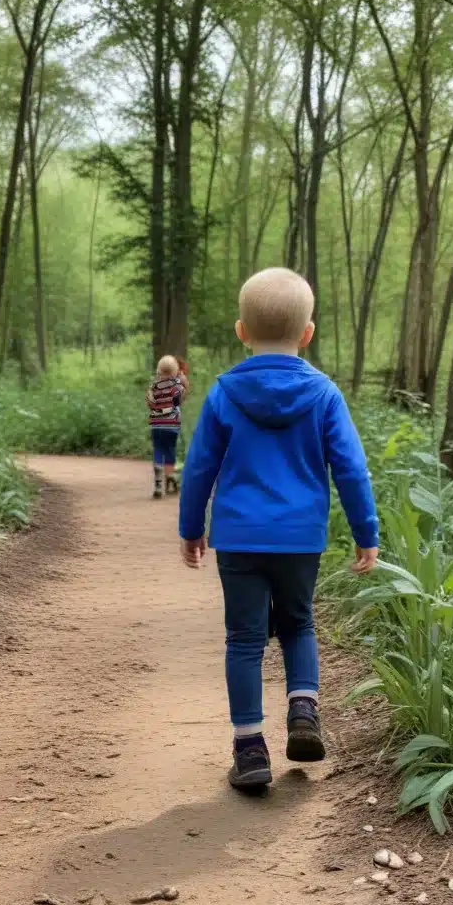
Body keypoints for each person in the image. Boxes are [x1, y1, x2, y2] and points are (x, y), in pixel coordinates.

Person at [177, 267, 379, 791]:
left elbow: (200, 465)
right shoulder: (324, 394)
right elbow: (351, 468)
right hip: (299, 536)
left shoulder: (224, 393)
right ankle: (304, 711)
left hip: (240, 537)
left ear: (242, 331)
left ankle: (249, 750)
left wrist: (192, 526)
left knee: (243, 639)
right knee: (298, 623)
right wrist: (366, 531)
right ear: (307, 332)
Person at [146, 354, 189, 499]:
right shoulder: (176, 386)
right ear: (176, 372)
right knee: (170, 451)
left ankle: (158, 482)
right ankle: (170, 476)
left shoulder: (153, 387)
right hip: (171, 425)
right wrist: (184, 384)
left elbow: (150, 403)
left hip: (156, 425)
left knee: (158, 450)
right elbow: (179, 400)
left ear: (158, 371)